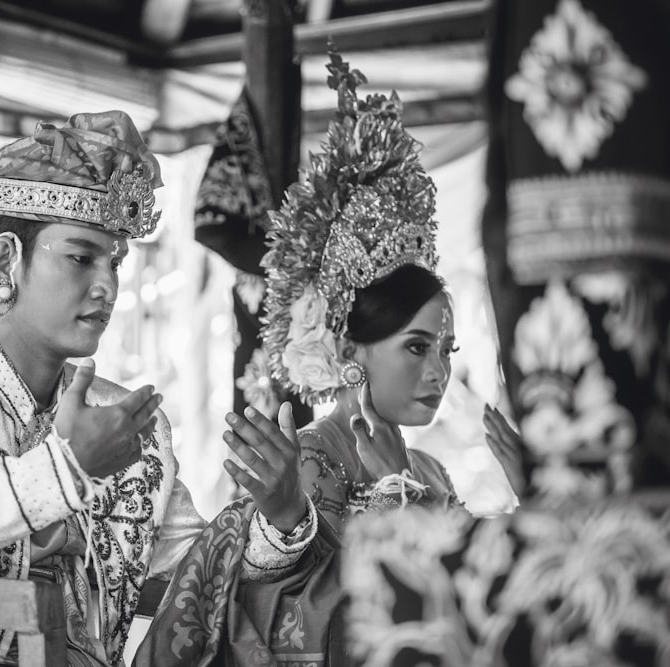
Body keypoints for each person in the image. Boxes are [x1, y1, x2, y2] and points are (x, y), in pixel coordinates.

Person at [0, 110, 316, 667]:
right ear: (5, 261)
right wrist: (63, 472)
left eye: (115, 261)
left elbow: (199, 578)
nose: (109, 284)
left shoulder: (128, 422)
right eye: (81, 257)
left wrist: (280, 518)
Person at [134, 53, 522, 666]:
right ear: (347, 351)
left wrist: (531, 499)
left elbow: (474, 598)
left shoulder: (427, 466)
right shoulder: (311, 462)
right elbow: (303, 626)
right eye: (416, 347)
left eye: (446, 350)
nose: (439, 371)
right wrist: (379, 496)